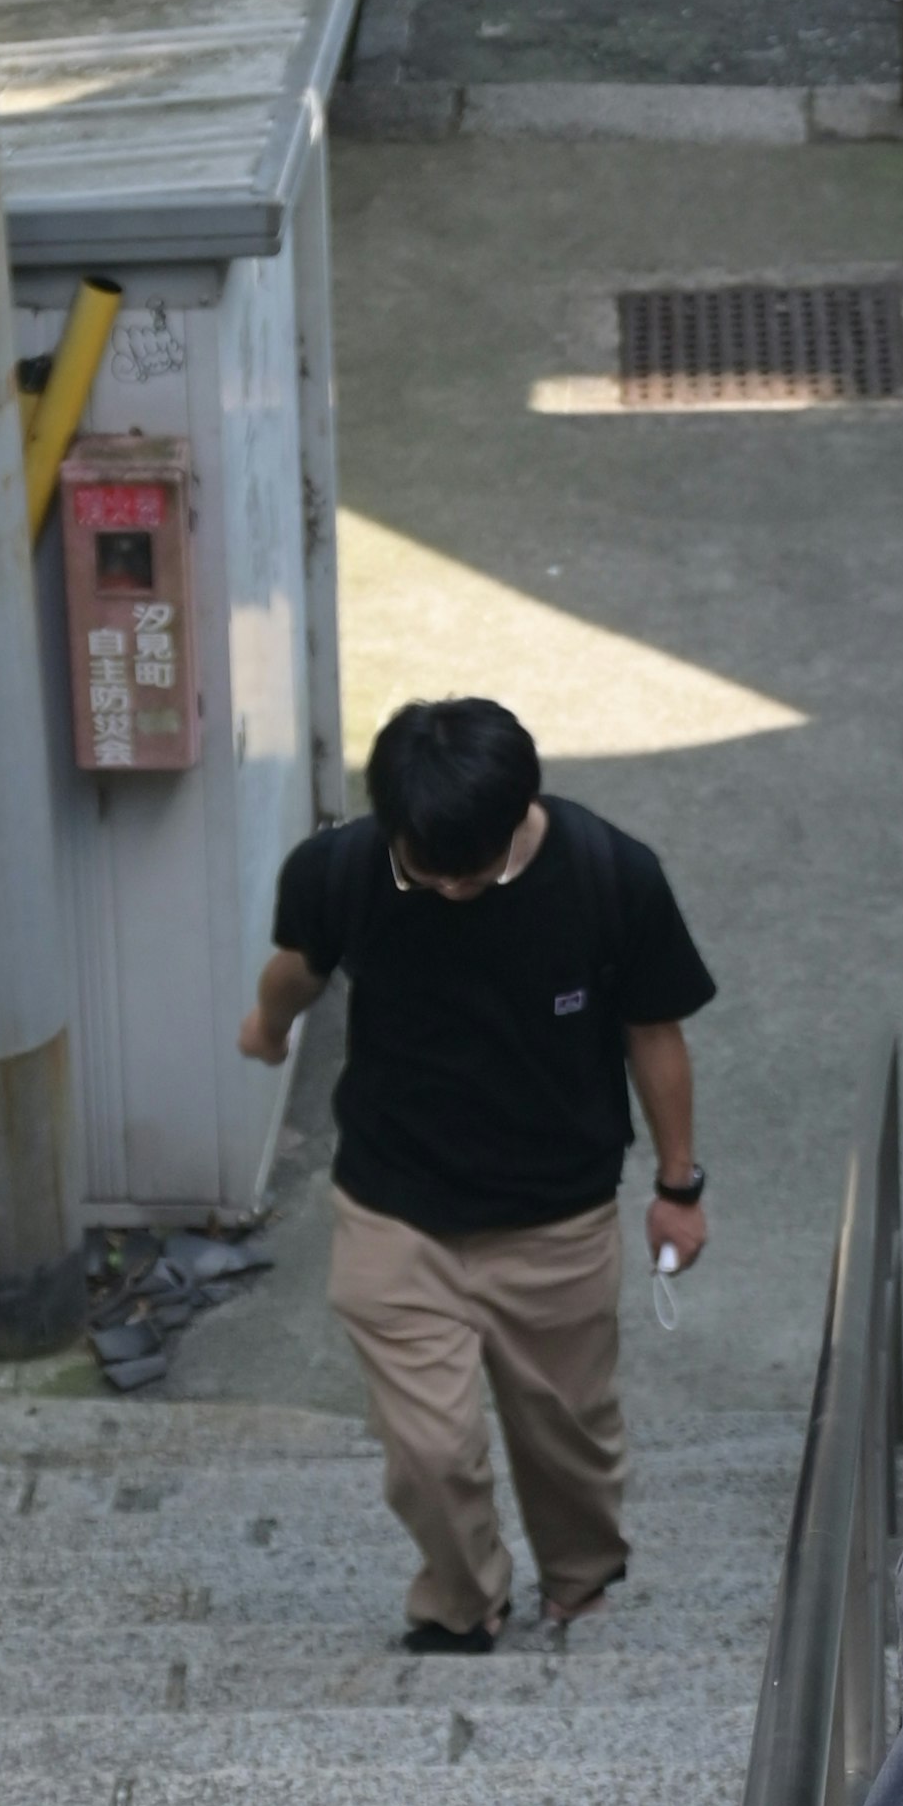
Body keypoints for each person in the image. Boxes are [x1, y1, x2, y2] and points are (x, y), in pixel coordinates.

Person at [239, 694, 718, 1653]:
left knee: (568, 1437)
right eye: (429, 874)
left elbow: (653, 1036)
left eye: (477, 872)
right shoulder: (342, 868)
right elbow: (301, 962)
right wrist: (270, 1024)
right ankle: (462, 1606)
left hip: (556, 1216)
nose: (454, 891)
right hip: (394, 1207)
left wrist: (677, 1188)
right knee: (430, 1451)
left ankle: (579, 1586)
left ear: (521, 812)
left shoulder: (611, 875)